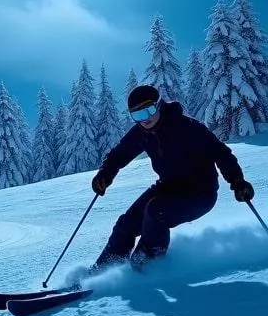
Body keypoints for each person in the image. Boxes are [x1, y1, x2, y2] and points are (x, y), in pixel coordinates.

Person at [90, 84, 255, 271]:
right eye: (137, 115)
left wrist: (237, 181)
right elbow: (119, 154)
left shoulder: (187, 128)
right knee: (126, 223)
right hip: (168, 187)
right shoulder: (141, 133)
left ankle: (146, 266)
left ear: (159, 105)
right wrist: (104, 175)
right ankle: (103, 270)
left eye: (148, 110)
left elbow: (221, 153)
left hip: (200, 193)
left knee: (155, 211)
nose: (145, 119)